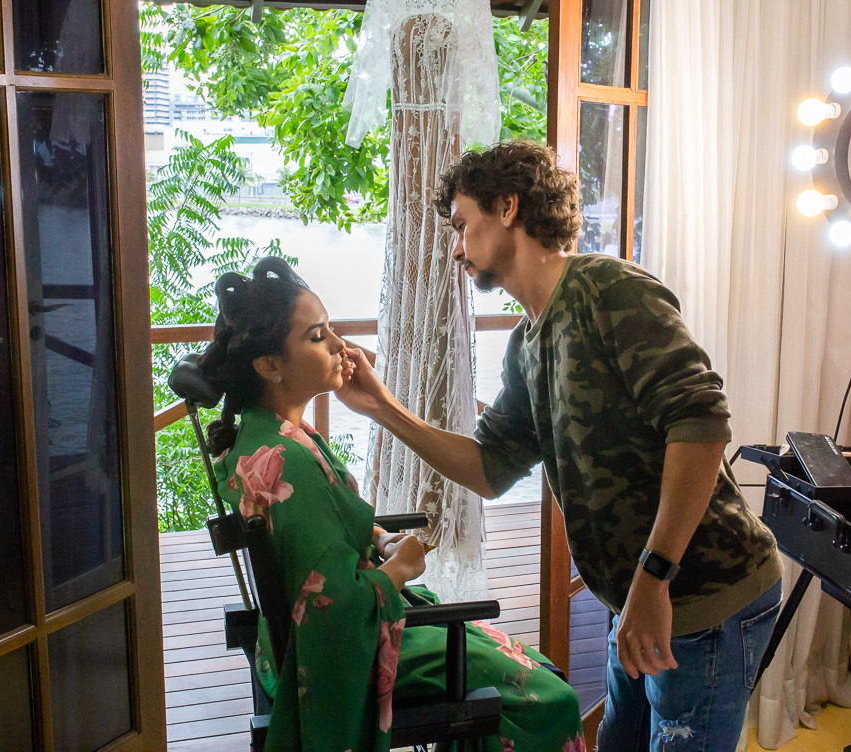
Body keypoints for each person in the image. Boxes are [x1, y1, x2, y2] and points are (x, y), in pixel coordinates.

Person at [336, 141, 783, 751]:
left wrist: (653, 577)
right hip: (638, 599)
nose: (456, 248)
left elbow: (701, 424)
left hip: (704, 597)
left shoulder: (610, 291)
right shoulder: (526, 344)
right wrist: (382, 408)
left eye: (462, 225)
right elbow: (490, 467)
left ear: (508, 208)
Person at [198, 256, 585, 752]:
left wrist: (379, 538)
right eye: (316, 337)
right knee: (551, 697)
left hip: (298, 644)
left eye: (331, 329)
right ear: (269, 365)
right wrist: (401, 568)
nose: (340, 346)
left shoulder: (265, 439)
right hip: (345, 652)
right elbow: (334, 605)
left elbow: (320, 534)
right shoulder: (288, 460)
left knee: (516, 660)